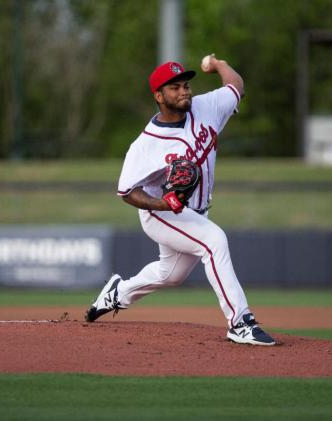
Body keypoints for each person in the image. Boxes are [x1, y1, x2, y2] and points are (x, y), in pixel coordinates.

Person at [84, 55, 277, 346]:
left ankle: (117, 293)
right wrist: (165, 204)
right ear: (159, 96)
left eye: (185, 85)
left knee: (170, 274)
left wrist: (219, 64)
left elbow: (236, 86)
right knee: (214, 242)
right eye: (174, 87)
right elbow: (126, 192)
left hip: (195, 212)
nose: (184, 91)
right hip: (160, 213)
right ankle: (240, 322)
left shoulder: (206, 107)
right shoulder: (145, 145)